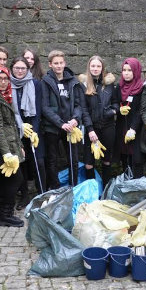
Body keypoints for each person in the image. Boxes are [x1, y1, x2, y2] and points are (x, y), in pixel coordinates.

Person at [0, 66, 27, 228]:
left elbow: (11, 126)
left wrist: (20, 145)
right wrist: (6, 153)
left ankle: (5, 213)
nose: (3, 82)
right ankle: (3, 214)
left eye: (5, 79)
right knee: (14, 179)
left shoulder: (4, 96)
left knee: (11, 179)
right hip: (3, 147)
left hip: (12, 143)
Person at [40, 50, 84, 188]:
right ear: (50, 65)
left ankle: (73, 187)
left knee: (73, 159)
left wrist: (75, 119)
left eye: (61, 63)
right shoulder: (45, 81)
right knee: (53, 160)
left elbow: (78, 104)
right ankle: (55, 189)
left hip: (71, 127)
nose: (58, 66)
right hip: (52, 127)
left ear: (64, 63)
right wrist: (60, 123)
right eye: (55, 63)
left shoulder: (73, 81)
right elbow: (45, 107)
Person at [78, 55, 120, 183]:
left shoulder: (109, 84)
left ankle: (106, 189)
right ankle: (92, 190)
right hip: (92, 127)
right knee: (89, 162)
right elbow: (83, 109)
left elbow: (116, 103)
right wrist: (90, 130)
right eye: (93, 66)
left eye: (98, 66)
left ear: (102, 68)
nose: (95, 69)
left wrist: (112, 111)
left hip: (108, 127)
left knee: (106, 161)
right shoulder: (83, 85)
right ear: (89, 67)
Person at [10, 57, 45, 197]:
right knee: (21, 162)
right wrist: (19, 127)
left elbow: (38, 109)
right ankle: (24, 195)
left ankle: (42, 193)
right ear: (12, 68)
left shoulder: (35, 84)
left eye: (23, 68)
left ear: (28, 69)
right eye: (17, 68)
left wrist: (33, 131)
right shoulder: (7, 83)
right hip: (15, 128)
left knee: (39, 161)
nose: (20, 71)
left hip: (32, 126)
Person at [117, 57, 145, 175]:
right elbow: (114, 102)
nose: (126, 73)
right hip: (122, 127)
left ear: (136, 71)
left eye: (130, 70)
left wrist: (133, 128)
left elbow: (141, 109)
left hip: (137, 130)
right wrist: (118, 109)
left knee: (137, 159)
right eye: (124, 70)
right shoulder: (119, 87)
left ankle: (137, 186)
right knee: (124, 157)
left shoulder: (142, 88)